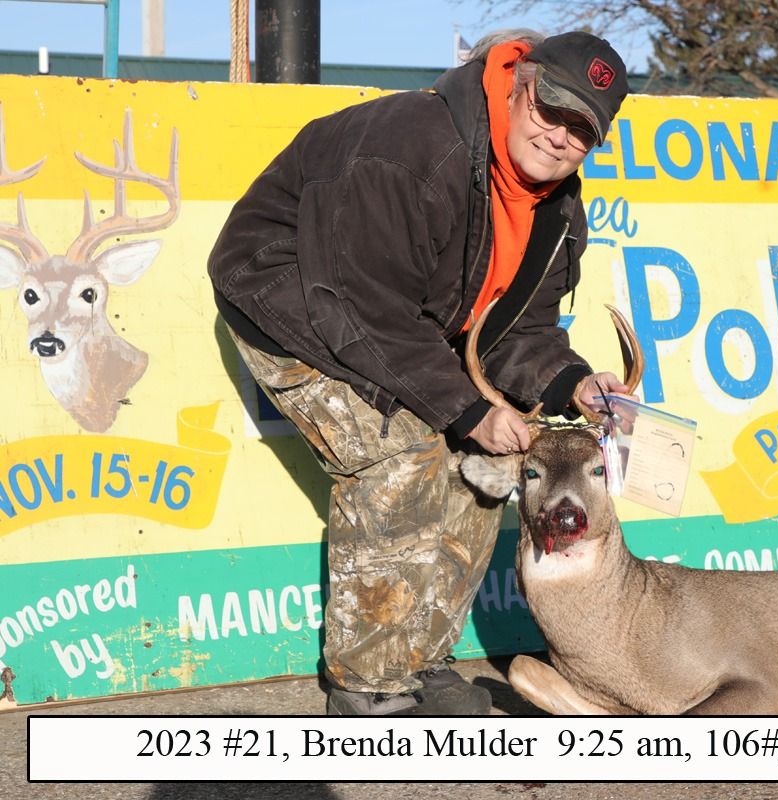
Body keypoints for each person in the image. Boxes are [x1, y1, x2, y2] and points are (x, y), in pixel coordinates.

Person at [207, 30, 630, 716]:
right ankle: (368, 682)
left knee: (487, 464)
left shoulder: (557, 209)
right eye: (550, 110)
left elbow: (517, 329)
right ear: (519, 83)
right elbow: (361, 308)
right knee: (400, 452)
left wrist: (571, 383)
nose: (558, 137)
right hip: (292, 299)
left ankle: (419, 660)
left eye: (581, 130)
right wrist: (466, 409)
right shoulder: (410, 146)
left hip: (401, 322)